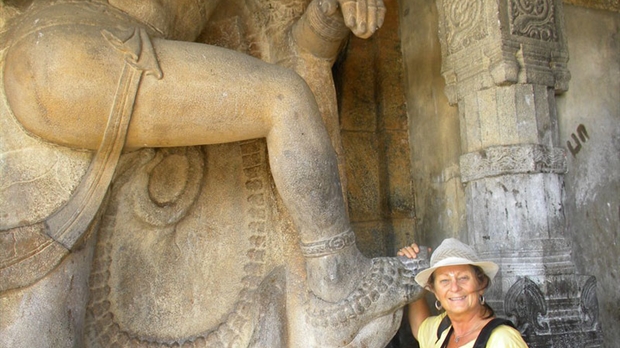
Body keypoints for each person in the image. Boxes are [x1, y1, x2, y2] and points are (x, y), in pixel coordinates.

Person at [398, 238, 529, 348]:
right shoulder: (441, 332)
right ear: (435, 292)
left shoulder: (502, 340)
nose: (454, 288)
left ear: (481, 284)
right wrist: (412, 266)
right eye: (444, 281)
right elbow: (421, 328)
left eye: (463, 278)